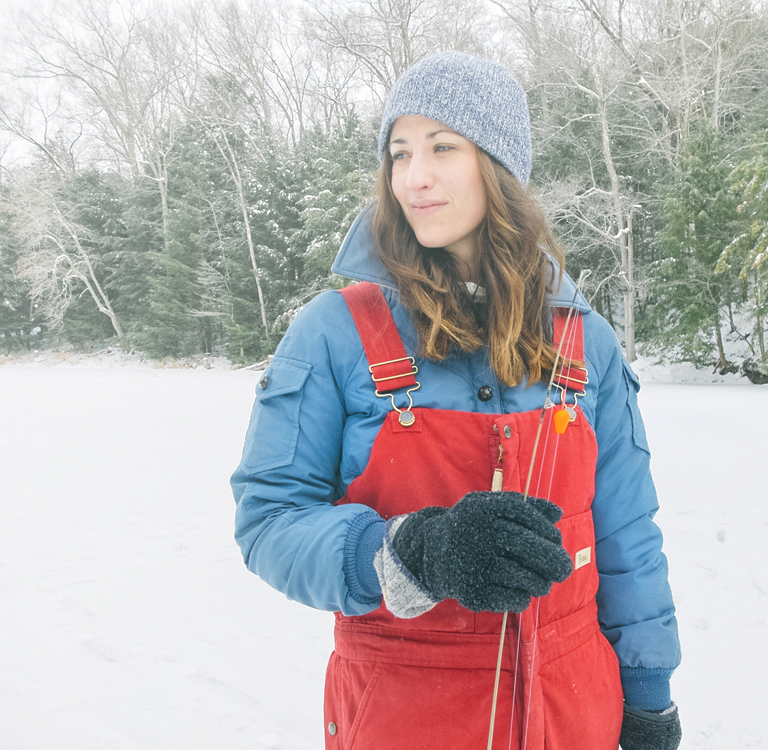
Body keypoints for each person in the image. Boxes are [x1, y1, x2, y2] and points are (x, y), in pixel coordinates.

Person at [231, 51, 681, 750]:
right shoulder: (334, 333)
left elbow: (626, 533)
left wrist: (649, 691)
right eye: (399, 152)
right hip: (404, 712)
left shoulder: (583, 341)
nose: (415, 176)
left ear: (499, 168)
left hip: (573, 707)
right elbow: (269, 520)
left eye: (443, 147)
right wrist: (410, 552)